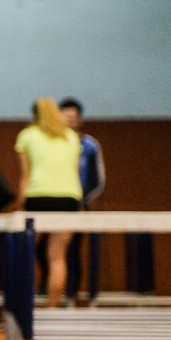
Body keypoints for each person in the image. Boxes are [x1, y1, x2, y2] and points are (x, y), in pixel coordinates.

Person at [15, 97, 83, 308]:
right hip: (69, 198)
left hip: (38, 196)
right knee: (57, 257)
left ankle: (22, 308)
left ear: (34, 116)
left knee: (25, 253)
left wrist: (20, 202)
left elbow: (25, 175)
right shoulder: (72, 137)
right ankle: (53, 307)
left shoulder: (27, 135)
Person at [60, 97, 105, 304]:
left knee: (72, 250)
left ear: (80, 119)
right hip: (55, 203)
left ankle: (71, 293)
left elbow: (98, 179)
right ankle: (49, 287)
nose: (69, 120)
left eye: (73, 117)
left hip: (78, 205)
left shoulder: (89, 145)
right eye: (65, 116)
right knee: (44, 248)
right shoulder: (54, 143)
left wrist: (82, 199)